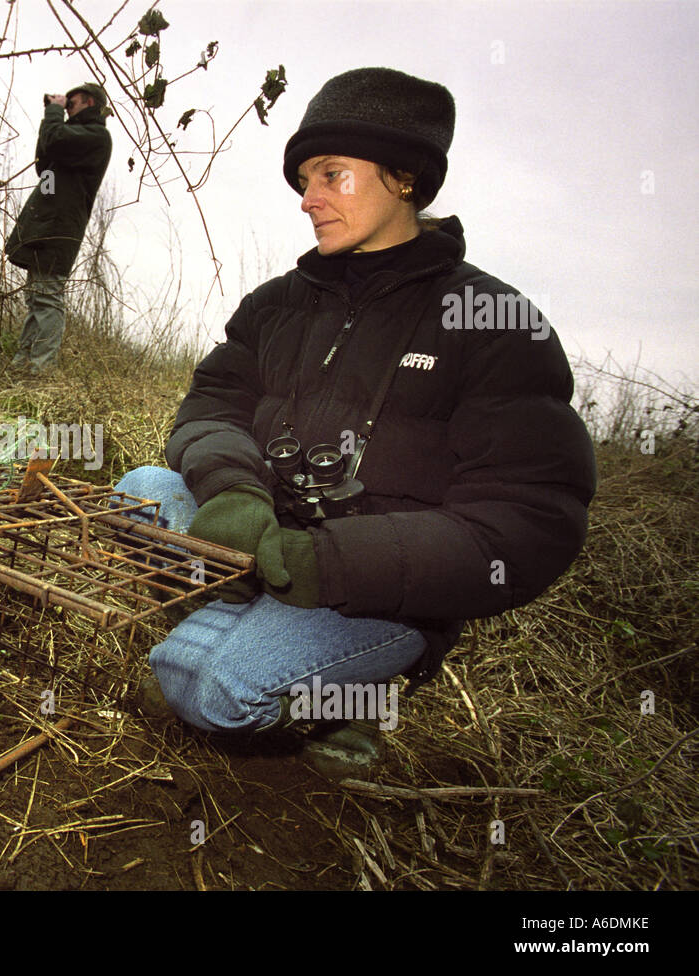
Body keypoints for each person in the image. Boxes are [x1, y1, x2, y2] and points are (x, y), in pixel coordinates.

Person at [115, 67, 596, 767]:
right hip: (268, 543)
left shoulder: (495, 323)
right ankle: (246, 629)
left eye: (331, 175)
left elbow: (530, 520)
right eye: (304, 179)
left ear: (404, 177)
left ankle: (349, 696)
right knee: (142, 491)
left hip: (379, 596)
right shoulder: (278, 303)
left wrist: (332, 562)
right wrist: (236, 491)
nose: (308, 199)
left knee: (202, 682)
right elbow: (211, 406)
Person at [4, 82, 112, 375]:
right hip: (46, 227)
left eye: (71, 103)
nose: (67, 108)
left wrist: (53, 111)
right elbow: (45, 163)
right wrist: (52, 115)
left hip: (59, 231)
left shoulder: (96, 137)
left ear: (89, 103)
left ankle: (41, 369)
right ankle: (22, 366)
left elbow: (55, 139)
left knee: (48, 297)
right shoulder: (73, 139)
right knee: (37, 298)